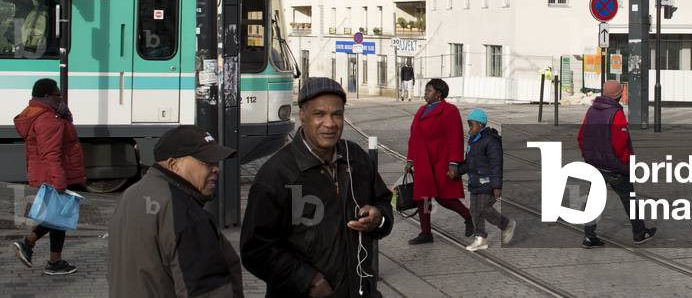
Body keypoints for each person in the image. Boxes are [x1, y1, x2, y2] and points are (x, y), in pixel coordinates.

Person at [241, 77, 393, 297]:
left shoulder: (356, 158)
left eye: (337, 114)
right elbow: (255, 250)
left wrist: (378, 218)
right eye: (319, 114)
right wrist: (307, 280)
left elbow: (383, 202)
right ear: (302, 114)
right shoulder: (277, 174)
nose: (330, 124)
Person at [108, 125, 243, 297]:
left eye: (216, 162)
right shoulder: (185, 213)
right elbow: (207, 290)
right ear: (173, 164)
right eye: (207, 162)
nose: (216, 168)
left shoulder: (132, 194)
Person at [11, 78, 84, 276]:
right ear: (46, 96)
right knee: (58, 217)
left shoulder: (49, 115)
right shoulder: (47, 119)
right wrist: (59, 181)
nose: (61, 98)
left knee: (59, 217)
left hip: (52, 172)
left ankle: (54, 260)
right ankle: (29, 243)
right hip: (55, 174)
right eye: (57, 95)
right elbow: (51, 153)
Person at [577, 80, 656, 247]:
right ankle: (639, 233)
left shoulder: (591, 111)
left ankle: (589, 236)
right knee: (629, 199)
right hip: (615, 167)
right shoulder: (616, 114)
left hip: (595, 165)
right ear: (619, 95)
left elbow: (581, 136)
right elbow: (620, 143)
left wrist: (588, 155)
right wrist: (627, 162)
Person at [404, 78, 473, 244]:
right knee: (423, 198)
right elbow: (414, 137)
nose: (425, 93)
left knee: (444, 197)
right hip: (423, 161)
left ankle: (469, 216)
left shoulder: (449, 110)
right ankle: (426, 232)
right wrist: (410, 159)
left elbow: (455, 138)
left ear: (439, 94)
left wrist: (454, 163)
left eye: (429, 90)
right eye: (426, 90)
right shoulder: (421, 111)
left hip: (441, 160)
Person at [457, 108, 516, 252]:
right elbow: (469, 162)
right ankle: (480, 239)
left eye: (472, 125)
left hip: (487, 182)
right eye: (469, 125)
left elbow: (496, 164)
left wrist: (497, 186)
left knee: (484, 208)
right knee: (475, 210)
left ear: (481, 125)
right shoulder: (473, 141)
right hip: (475, 181)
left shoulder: (491, 141)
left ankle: (506, 224)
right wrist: (457, 171)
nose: (470, 128)